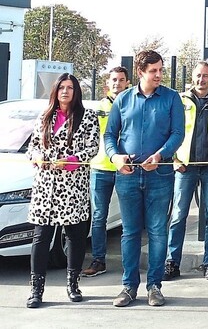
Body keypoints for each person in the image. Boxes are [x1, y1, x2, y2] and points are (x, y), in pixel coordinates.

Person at [104, 50, 185, 308]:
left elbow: (177, 133)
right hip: (127, 175)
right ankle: (128, 287)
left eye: (161, 70)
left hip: (159, 175)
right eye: (154, 71)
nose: (159, 75)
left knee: (158, 232)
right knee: (129, 234)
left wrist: (161, 155)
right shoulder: (123, 100)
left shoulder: (172, 99)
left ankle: (154, 286)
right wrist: (115, 157)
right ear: (141, 72)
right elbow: (109, 135)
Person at [25, 73, 99, 308]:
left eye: (70, 88)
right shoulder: (45, 117)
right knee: (40, 238)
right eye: (61, 88)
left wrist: (72, 159)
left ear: (77, 92)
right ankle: (36, 289)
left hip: (72, 186)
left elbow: (93, 148)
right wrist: (36, 156)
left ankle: (73, 284)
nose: (65, 92)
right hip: (45, 187)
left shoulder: (88, 117)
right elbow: (32, 147)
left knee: (75, 237)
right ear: (55, 92)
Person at [164, 60, 208, 281]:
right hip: (185, 166)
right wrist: (174, 158)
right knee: (178, 216)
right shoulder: (180, 100)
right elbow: (169, 131)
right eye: (197, 76)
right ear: (192, 78)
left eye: (205, 76)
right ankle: (172, 262)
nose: (201, 79)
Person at [82, 66, 130, 278]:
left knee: (130, 218)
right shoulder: (97, 107)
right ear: (107, 84)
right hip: (100, 168)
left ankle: (129, 262)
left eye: (121, 80)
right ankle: (98, 260)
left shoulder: (133, 102)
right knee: (99, 217)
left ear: (128, 83)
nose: (117, 83)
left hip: (126, 168)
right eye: (113, 80)